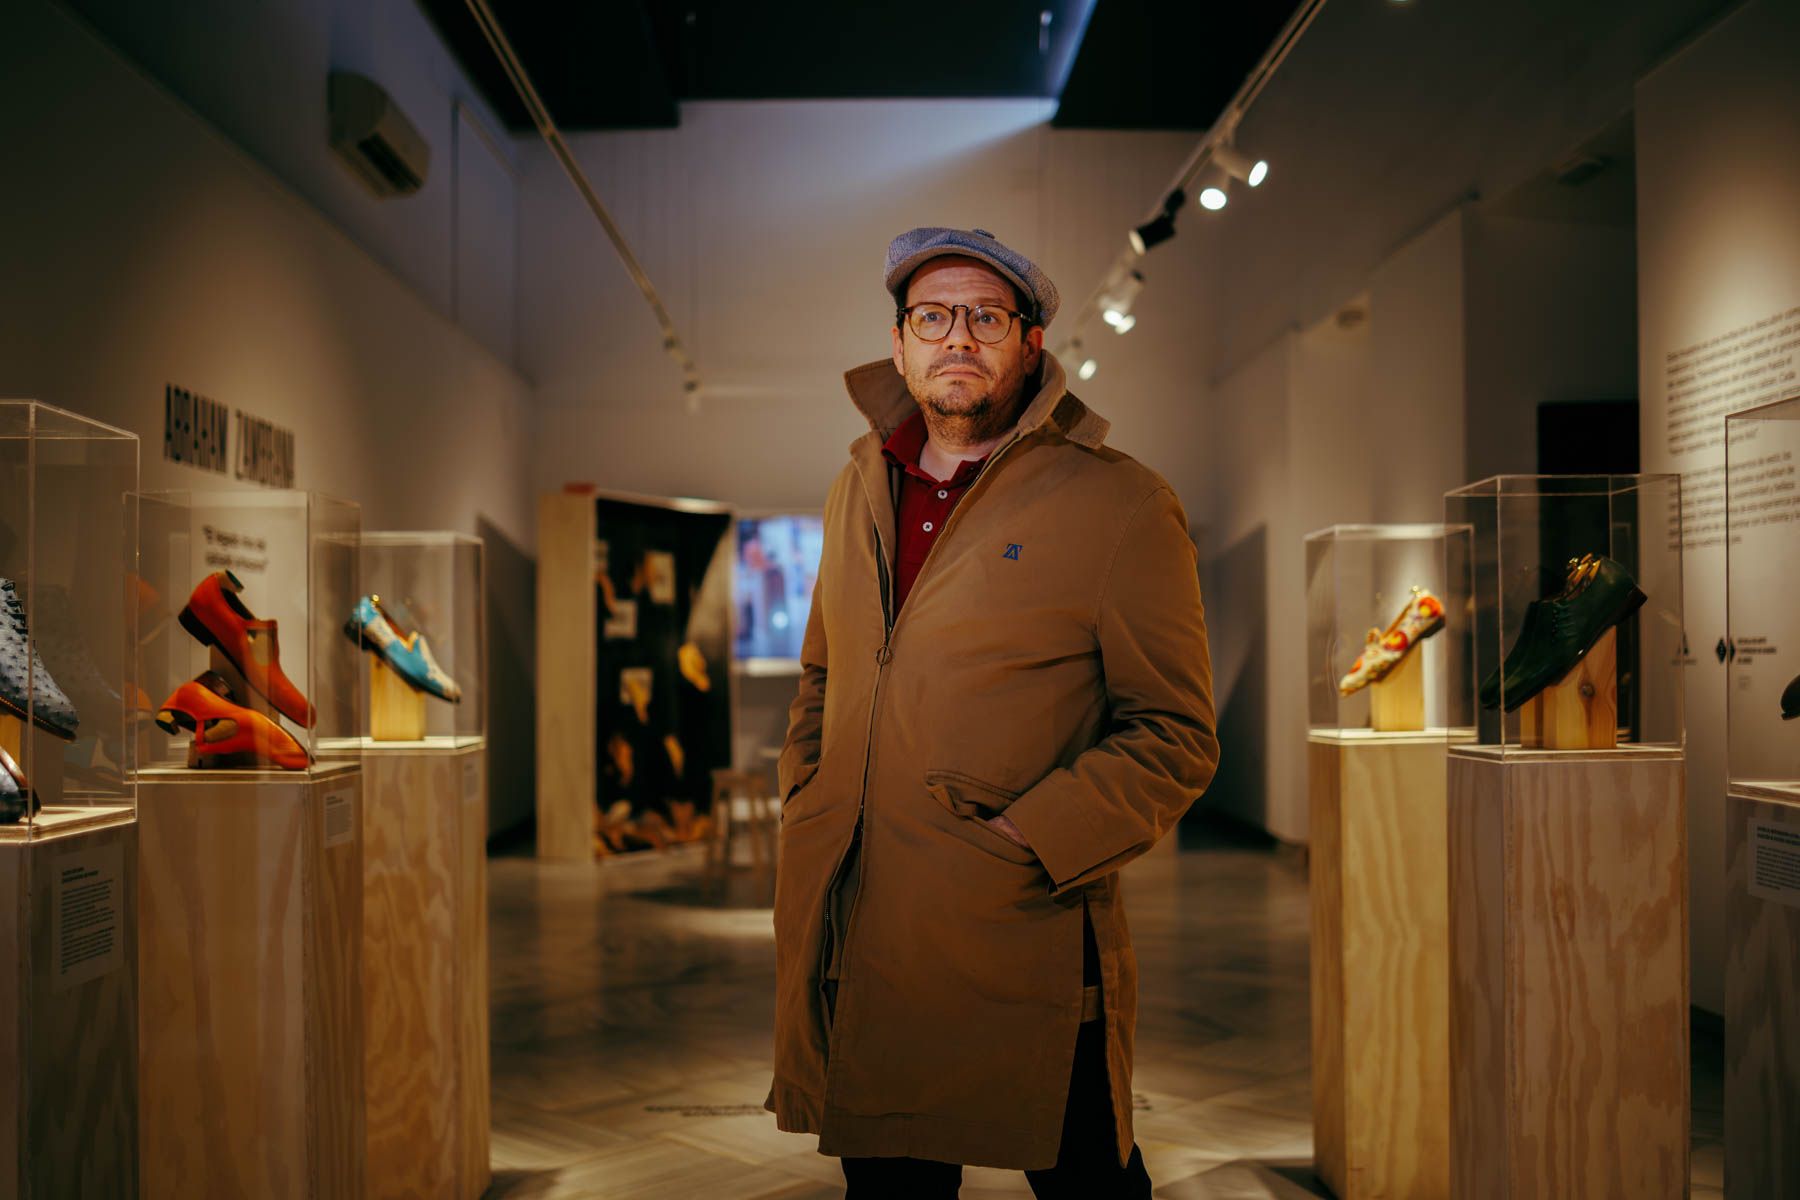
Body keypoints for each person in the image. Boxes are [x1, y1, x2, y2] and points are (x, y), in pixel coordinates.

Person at [767, 226, 1219, 1197]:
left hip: (1026, 931)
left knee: (1090, 1183)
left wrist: (1030, 837)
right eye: (932, 317)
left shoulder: (1122, 502)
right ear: (899, 345)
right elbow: (823, 673)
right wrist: (807, 790)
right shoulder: (859, 487)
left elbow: (1175, 734)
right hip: (868, 929)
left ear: (1031, 343)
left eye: (986, 316)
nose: (957, 337)